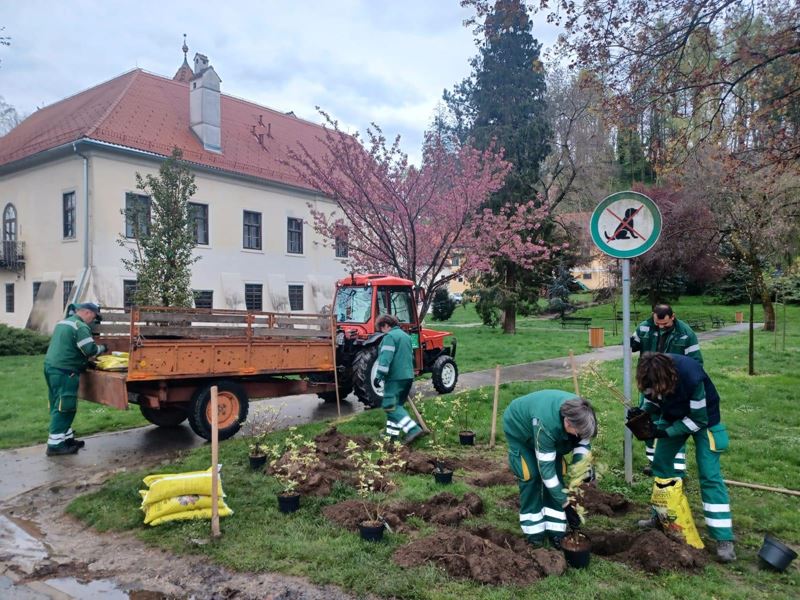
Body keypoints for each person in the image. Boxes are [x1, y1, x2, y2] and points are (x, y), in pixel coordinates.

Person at [636, 352, 736, 562]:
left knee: (709, 474)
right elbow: (652, 401)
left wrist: (666, 432)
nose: (652, 391)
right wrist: (641, 413)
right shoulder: (650, 374)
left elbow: (698, 420)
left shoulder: (692, 377)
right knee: (661, 464)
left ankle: (723, 538)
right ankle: (663, 516)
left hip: (705, 420)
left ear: (666, 379)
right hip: (673, 416)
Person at [502, 390, 597, 548]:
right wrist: (566, 505)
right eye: (577, 433)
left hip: (551, 436)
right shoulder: (546, 424)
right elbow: (546, 472)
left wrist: (583, 467)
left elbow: (583, 442)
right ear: (567, 423)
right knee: (532, 475)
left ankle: (556, 532)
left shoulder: (584, 417)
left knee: (557, 476)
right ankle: (534, 534)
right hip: (521, 431)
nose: (579, 436)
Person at [631, 303, 702, 476]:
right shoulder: (645, 327)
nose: (661, 327)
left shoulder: (685, 334)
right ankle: (653, 463)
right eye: (658, 324)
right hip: (650, 383)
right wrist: (630, 342)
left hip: (673, 387)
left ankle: (677, 470)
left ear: (673, 316)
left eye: (666, 324)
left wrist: (682, 385)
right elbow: (630, 346)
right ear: (653, 316)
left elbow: (696, 363)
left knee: (673, 423)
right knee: (646, 421)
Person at [43, 302, 106, 456]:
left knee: (57, 402)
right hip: (65, 370)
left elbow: (69, 346)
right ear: (88, 313)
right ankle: (55, 445)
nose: (93, 320)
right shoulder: (80, 326)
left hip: (51, 367)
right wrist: (103, 348)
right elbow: (90, 349)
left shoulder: (64, 322)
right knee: (66, 405)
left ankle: (67, 438)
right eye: (94, 316)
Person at [373, 314, 426, 445]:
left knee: (389, 406)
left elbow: (386, 358)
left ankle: (413, 429)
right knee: (396, 407)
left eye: (381, 329)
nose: (381, 332)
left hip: (394, 378)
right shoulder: (406, 337)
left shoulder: (390, 337)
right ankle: (391, 436)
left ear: (386, 325)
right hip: (408, 376)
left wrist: (379, 376)